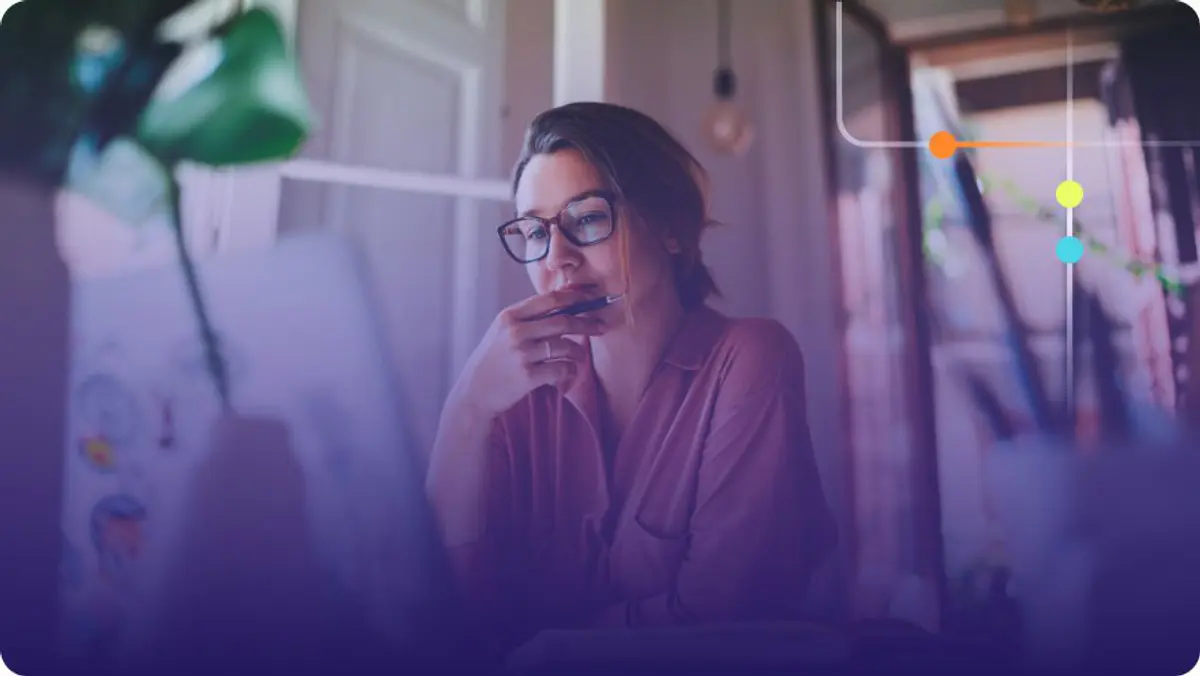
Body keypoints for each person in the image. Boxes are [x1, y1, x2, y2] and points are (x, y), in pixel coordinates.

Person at [425, 102, 837, 656]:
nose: (558, 260)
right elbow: (448, 612)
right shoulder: (511, 401)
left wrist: (547, 646)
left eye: (588, 218)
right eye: (534, 231)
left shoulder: (750, 359)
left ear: (671, 227)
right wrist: (467, 409)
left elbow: (725, 620)